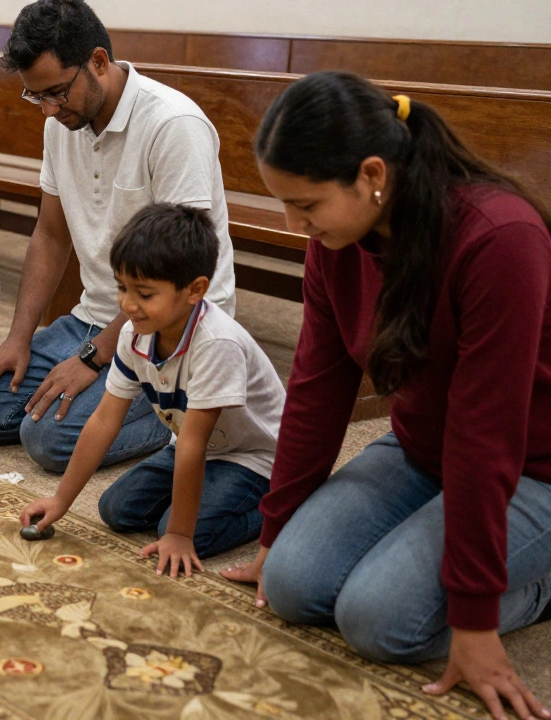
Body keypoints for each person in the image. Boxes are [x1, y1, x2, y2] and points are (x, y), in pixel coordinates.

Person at [217, 72, 551, 720]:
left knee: (379, 620)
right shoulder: (338, 241)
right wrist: (275, 533)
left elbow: (486, 440)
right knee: (291, 584)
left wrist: (476, 622)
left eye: (306, 205)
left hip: (532, 469)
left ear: (372, 173)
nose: (295, 224)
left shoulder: (499, 238)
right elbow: (316, 391)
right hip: (422, 451)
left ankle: (537, 590)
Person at [0, 0, 235, 474]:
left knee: (48, 440)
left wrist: (92, 358)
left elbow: (181, 268)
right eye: (35, 96)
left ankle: (197, 407)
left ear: (99, 62)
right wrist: (18, 338)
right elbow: (50, 234)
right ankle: (115, 394)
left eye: (57, 92)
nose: (47, 108)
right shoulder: (61, 124)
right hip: (95, 318)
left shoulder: (172, 126)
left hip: (171, 332)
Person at [21, 203, 282, 576]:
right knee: (117, 510)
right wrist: (62, 499)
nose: (128, 304)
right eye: (122, 288)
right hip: (198, 450)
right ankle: (208, 498)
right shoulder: (133, 333)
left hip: (254, 458)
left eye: (144, 293)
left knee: (188, 533)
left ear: (195, 290)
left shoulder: (216, 343)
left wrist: (179, 533)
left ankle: (287, 502)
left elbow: (194, 443)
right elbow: (103, 420)